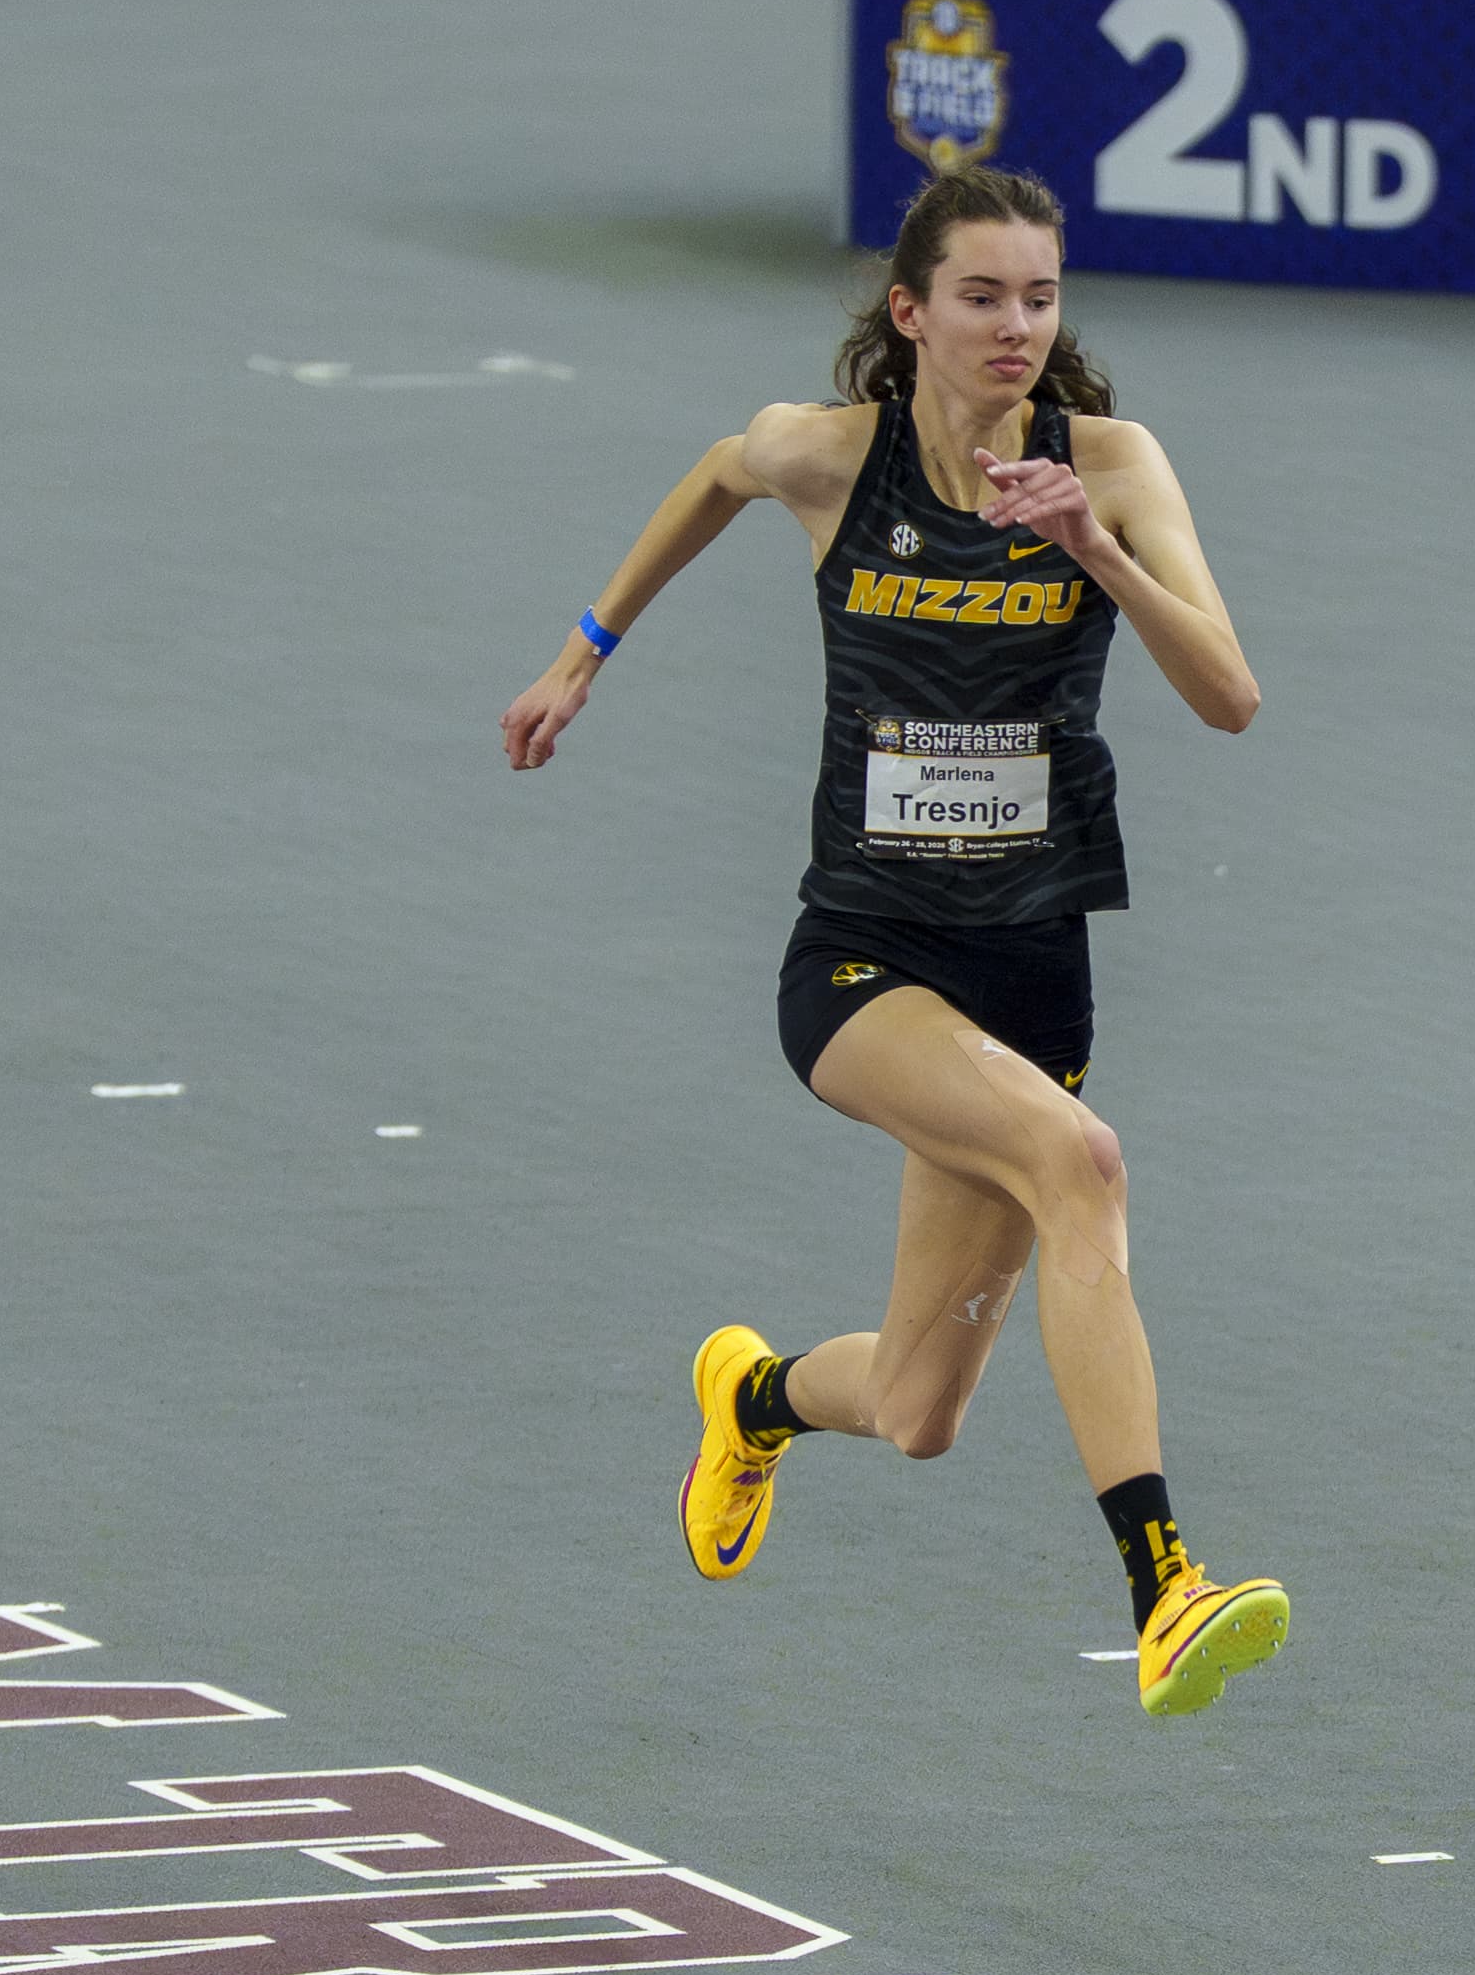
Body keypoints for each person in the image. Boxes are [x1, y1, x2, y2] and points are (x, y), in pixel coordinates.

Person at [498, 165, 1287, 1719]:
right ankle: (1165, 1587)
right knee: (1081, 1163)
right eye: (981, 297)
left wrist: (1094, 550)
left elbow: (1230, 696)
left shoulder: (1112, 467)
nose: (1015, 326)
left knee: (920, 1407)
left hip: (1030, 975)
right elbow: (718, 472)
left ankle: (755, 1395)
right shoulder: (831, 457)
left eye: (1039, 297)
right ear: (911, 312)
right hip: (862, 963)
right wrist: (584, 650)